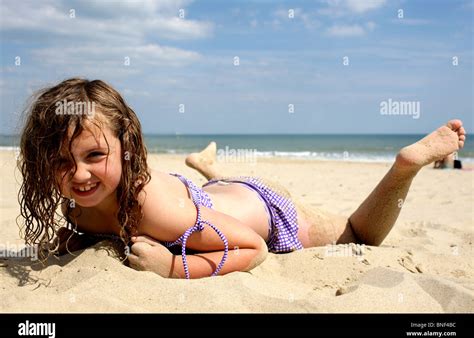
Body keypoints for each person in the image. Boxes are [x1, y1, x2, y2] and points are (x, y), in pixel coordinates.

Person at [17, 78, 467, 279]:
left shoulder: (152, 208)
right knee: (215, 195)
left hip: (265, 213)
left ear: (128, 148)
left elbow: (251, 250)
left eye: (95, 155)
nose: (78, 174)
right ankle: (210, 167)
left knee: (358, 234)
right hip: (210, 198)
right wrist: (73, 240)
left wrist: (173, 267)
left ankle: (403, 167)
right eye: (59, 161)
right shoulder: (81, 199)